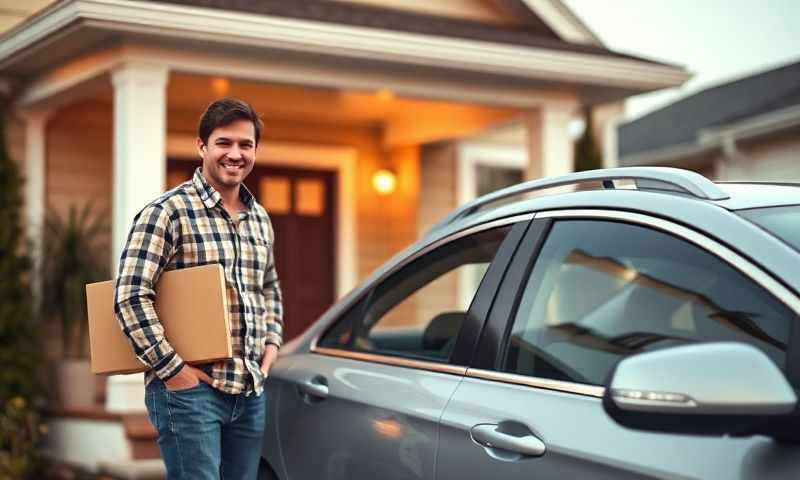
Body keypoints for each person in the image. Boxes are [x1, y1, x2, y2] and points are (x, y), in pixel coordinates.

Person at [114, 97, 283, 480]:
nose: (235, 154)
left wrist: (271, 345)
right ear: (202, 146)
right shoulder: (166, 212)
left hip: (248, 390)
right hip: (191, 394)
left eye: (246, 144)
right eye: (224, 143)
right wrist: (175, 371)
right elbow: (130, 295)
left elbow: (269, 286)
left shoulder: (259, 218)